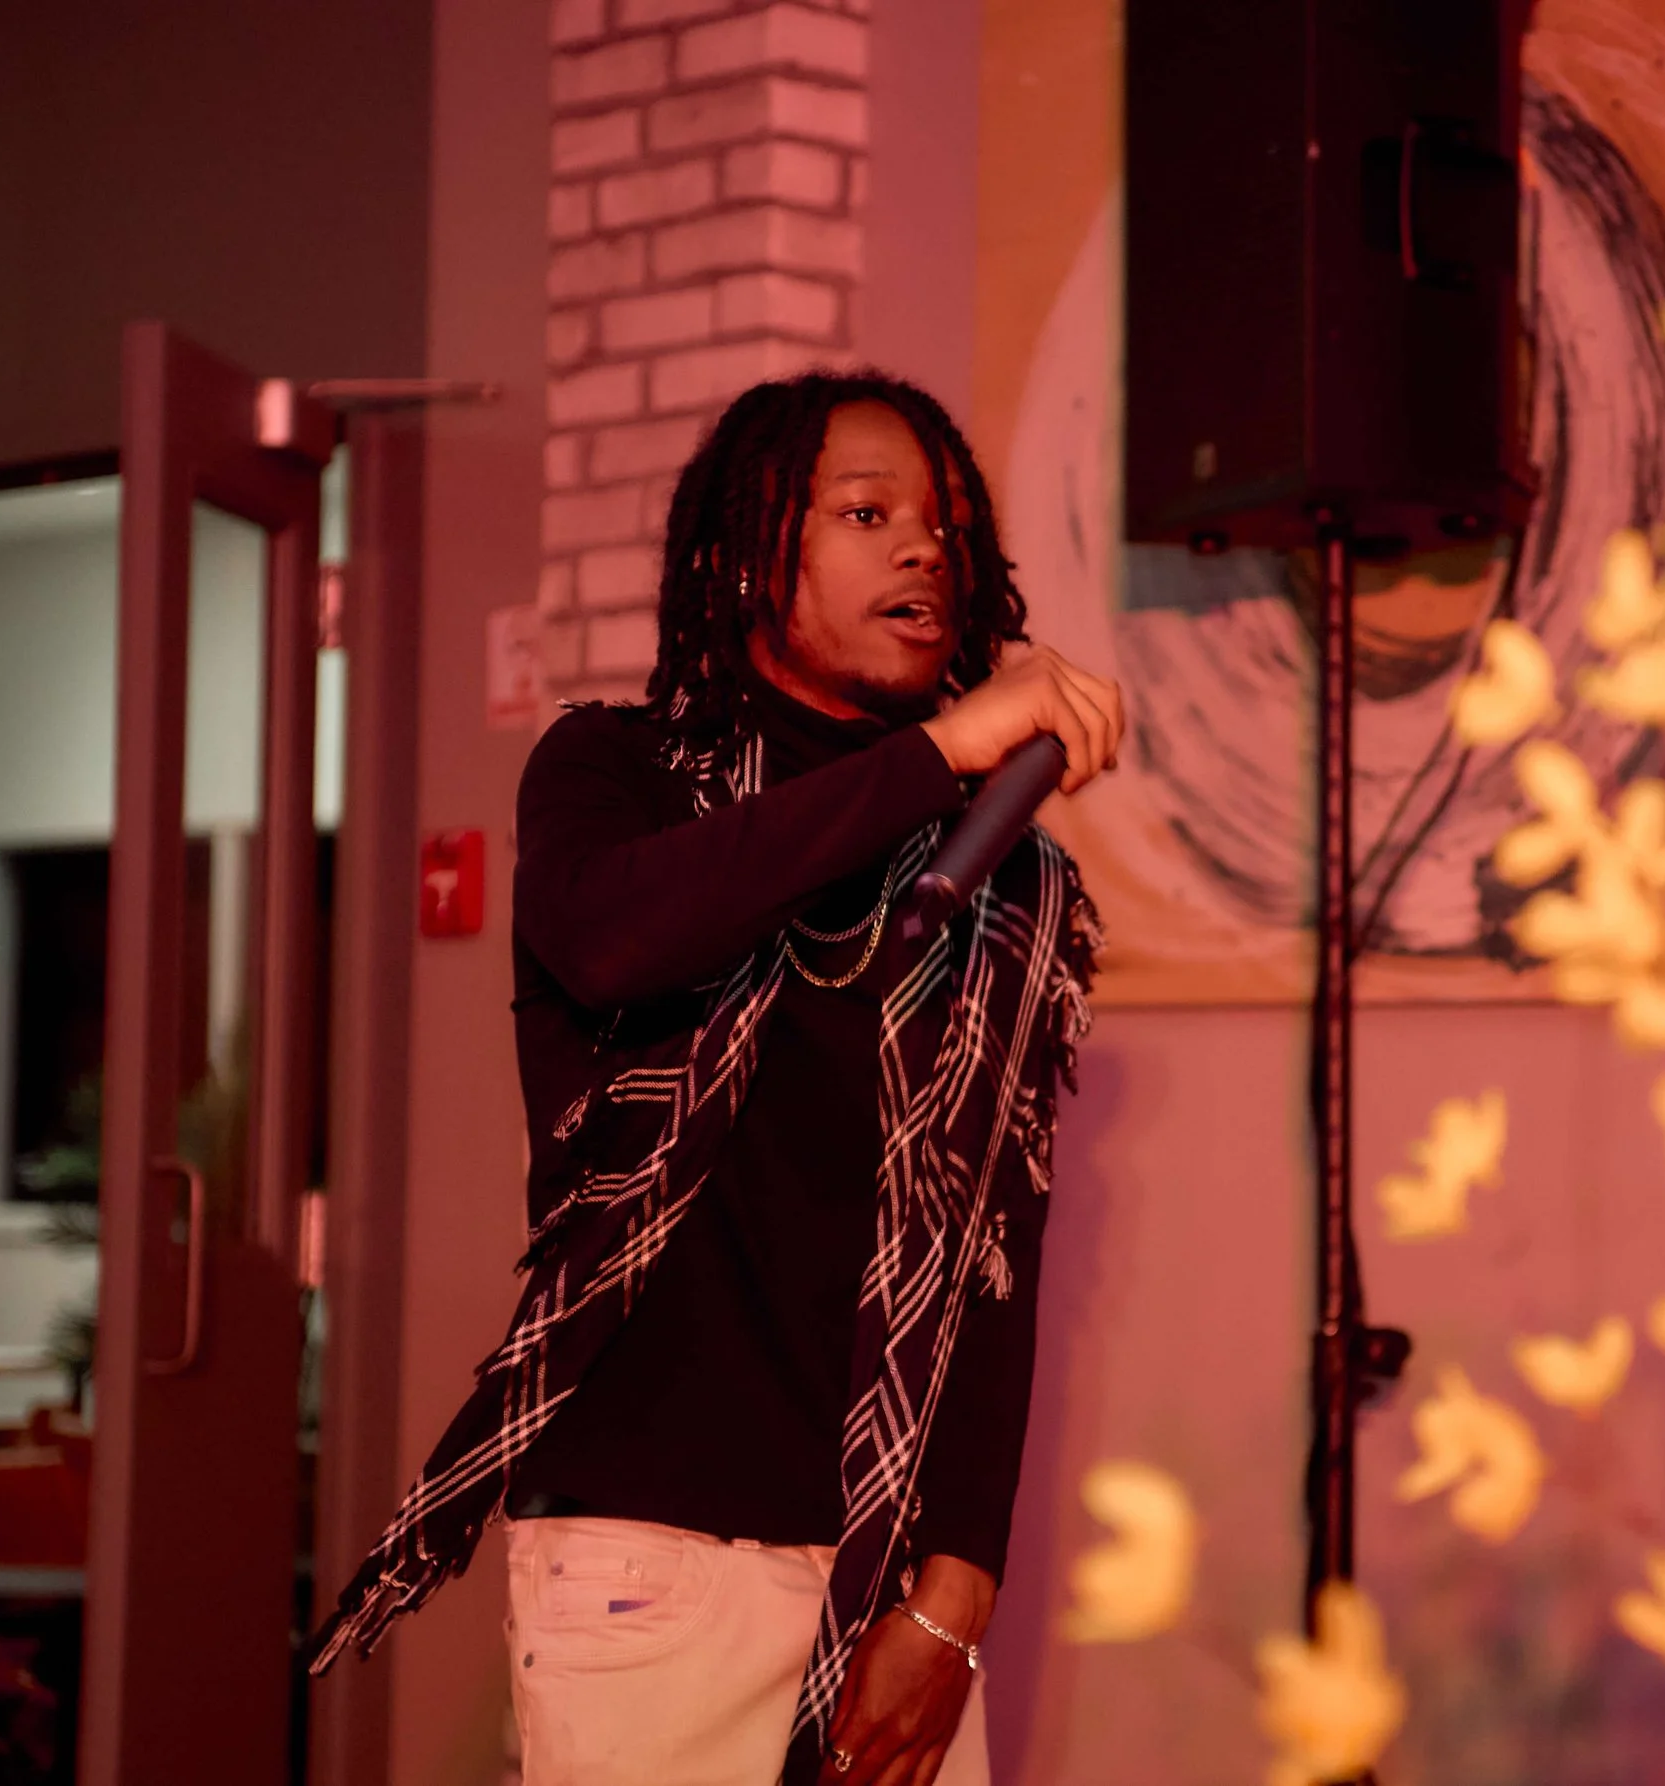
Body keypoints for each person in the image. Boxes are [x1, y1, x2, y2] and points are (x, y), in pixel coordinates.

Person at [308, 369, 1124, 1786]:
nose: (924, 548)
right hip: (648, 1567)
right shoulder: (617, 773)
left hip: (891, 1586)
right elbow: (617, 938)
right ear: (749, 554)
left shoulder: (997, 873)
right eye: (866, 513)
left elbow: (996, 1258)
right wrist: (942, 751)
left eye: (944, 524)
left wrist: (957, 1594)